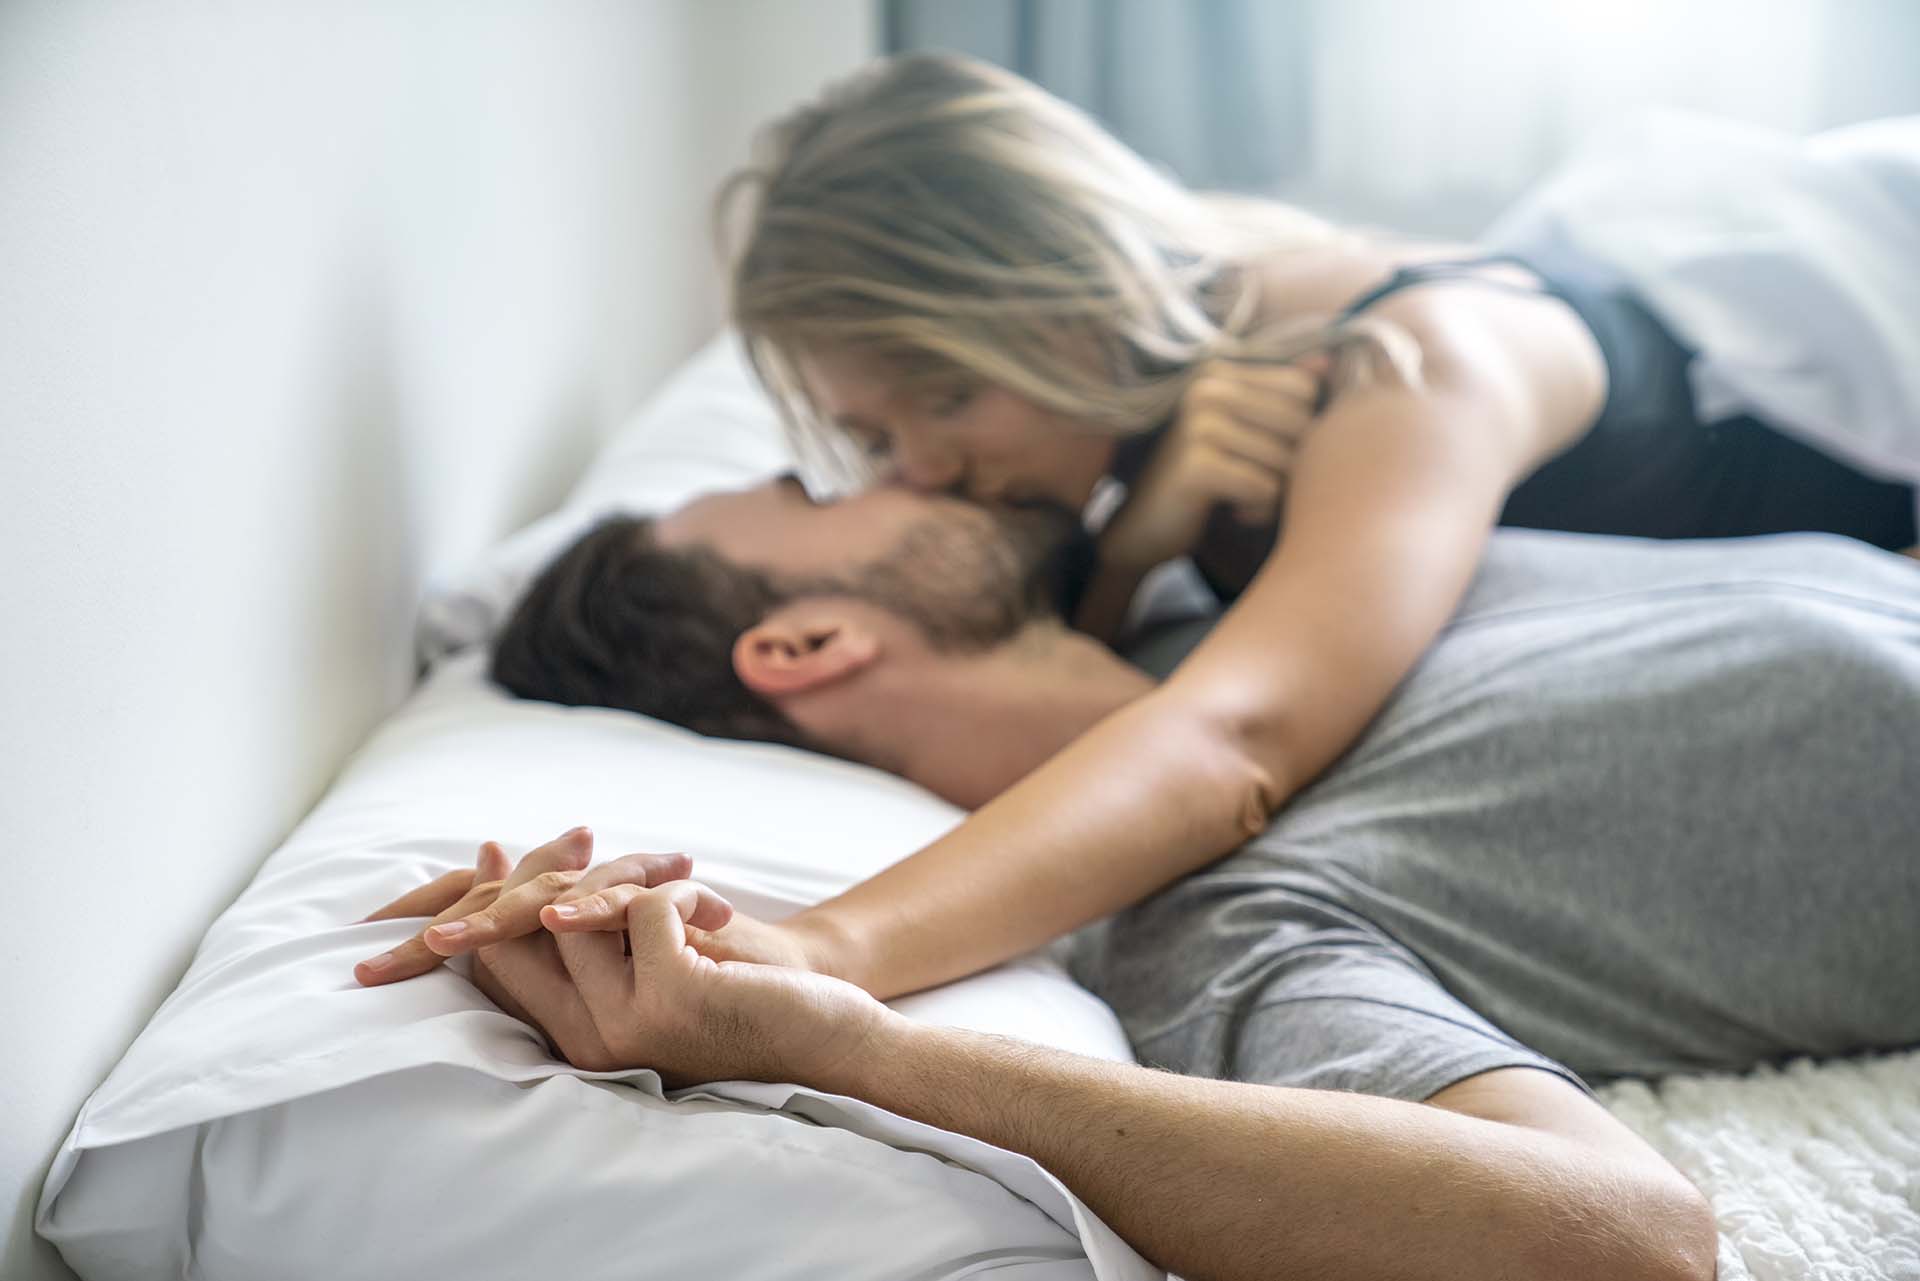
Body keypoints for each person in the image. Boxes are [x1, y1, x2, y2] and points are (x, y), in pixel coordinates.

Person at [359, 476, 1920, 1280]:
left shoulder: (1218, 593)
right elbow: (1627, 1241)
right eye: (829, 494)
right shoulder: (1221, 921)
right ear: (808, 641)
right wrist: (860, 1049)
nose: (908, 468)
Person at [658, 52, 1920, 1015]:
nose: (926, 472)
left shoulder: (1398, 370)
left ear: (1074, 292)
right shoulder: (1151, 421)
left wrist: (827, 948)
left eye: (947, 397)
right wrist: (1136, 548)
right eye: (874, 438)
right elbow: (1065, 670)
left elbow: (1237, 743)